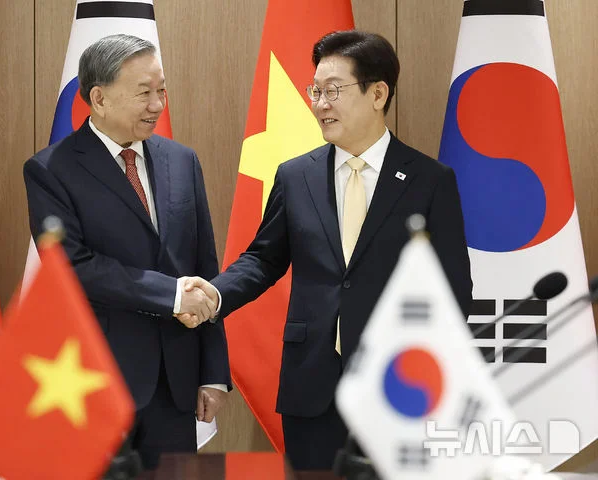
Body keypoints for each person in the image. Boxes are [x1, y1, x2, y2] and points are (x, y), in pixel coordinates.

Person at [181, 30, 473, 470]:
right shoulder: (296, 176)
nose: (320, 104)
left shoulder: (429, 181)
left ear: (378, 94)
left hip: (400, 389)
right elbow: (263, 259)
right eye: (315, 91)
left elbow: (453, 291)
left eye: (333, 90)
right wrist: (215, 294)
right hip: (312, 383)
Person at [23, 34, 230, 470]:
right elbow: (72, 266)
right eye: (144, 93)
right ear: (99, 98)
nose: (157, 105)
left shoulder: (183, 161)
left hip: (176, 385)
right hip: (94, 381)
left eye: (162, 90)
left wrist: (213, 372)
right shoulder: (50, 170)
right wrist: (171, 295)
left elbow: (204, 268)